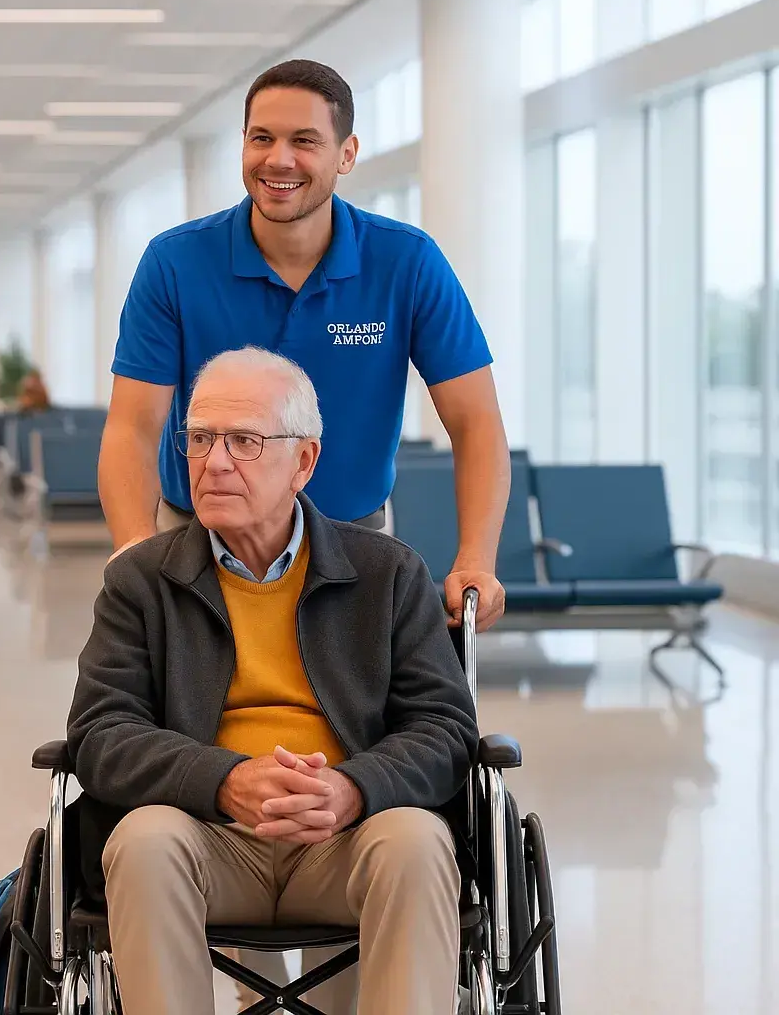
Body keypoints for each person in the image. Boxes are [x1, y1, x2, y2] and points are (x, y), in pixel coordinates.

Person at [68, 348, 478, 1015]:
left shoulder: (389, 575)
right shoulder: (140, 582)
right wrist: (224, 780)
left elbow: (446, 729)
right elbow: (100, 734)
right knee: (142, 843)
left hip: (347, 839)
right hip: (208, 835)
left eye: (244, 441)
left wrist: (353, 790)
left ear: (304, 462)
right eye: (199, 438)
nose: (215, 461)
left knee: (417, 843)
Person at [99, 57, 509, 637]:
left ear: (346, 153)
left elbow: (477, 423)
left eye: (305, 140)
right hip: (194, 543)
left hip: (355, 545)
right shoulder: (175, 262)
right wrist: (133, 551)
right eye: (261, 138)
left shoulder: (406, 263)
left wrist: (476, 560)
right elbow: (132, 428)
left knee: (351, 720)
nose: (278, 159)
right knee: (190, 720)